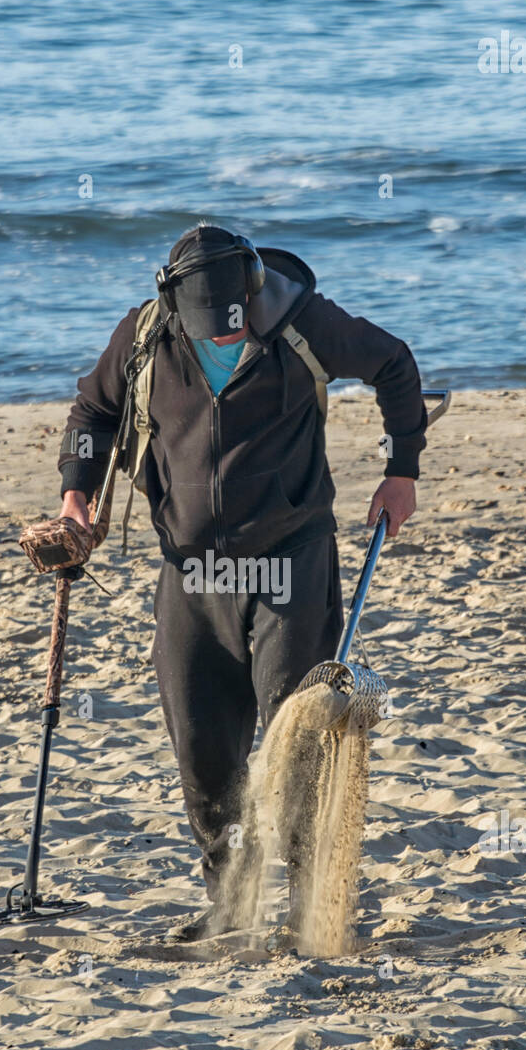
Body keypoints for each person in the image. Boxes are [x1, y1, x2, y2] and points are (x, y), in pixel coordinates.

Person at [57, 224, 426, 939]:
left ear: (253, 289)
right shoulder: (144, 334)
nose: (227, 341)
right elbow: (91, 413)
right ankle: (228, 906)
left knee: (300, 737)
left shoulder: (300, 321)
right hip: (190, 572)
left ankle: (304, 907)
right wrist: (76, 491)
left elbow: (395, 364)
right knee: (203, 746)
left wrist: (401, 470)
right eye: (211, 334)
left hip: (290, 560)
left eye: (236, 328)